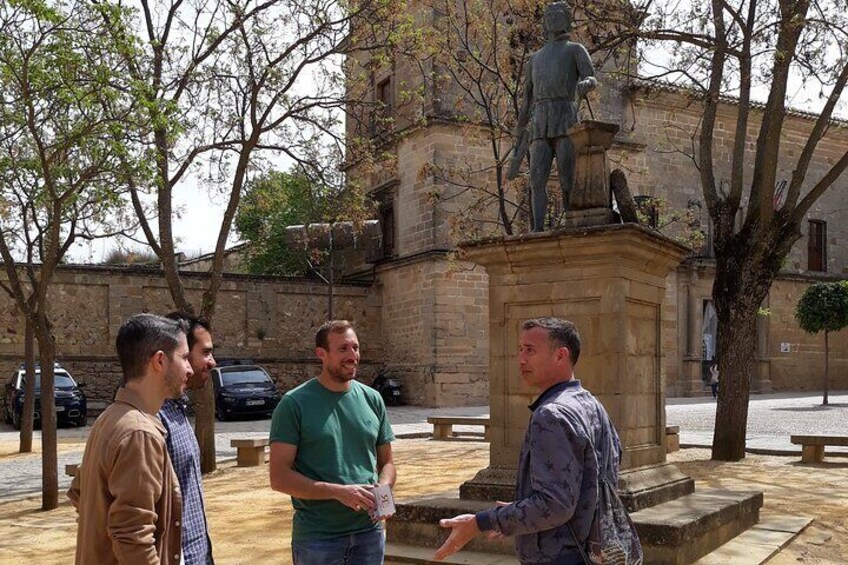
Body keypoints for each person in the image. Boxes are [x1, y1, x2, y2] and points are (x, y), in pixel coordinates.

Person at [435, 317, 633, 564]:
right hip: (590, 551)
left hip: (562, 556)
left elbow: (555, 504)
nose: (521, 359)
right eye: (520, 350)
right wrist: (518, 513)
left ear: (560, 355)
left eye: (530, 350)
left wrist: (480, 522)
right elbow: (586, 482)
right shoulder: (591, 404)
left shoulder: (551, 414)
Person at [68, 313, 193, 564]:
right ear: (159, 360)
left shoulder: (110, 418)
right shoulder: (139, 432)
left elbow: (78, 493)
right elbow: (132, 537)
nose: (190, 368)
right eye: (184, 357)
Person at [269, 320, 397, 565]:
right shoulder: (294, 404)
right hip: (318, 538)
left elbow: (387, 463)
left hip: (369, 534)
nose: (352, 356)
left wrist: (383, 493)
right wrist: (338, 492)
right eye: (343, 349)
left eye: (355, 348)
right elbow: (279, 477)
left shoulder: (373, 399)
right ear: (321, 354)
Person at [507, 2, 597, 232]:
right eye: (550, 15)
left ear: (567, 20)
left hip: (565, 115)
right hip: (540, 120)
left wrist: (586, 83)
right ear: (545, 22)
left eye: (559, 15)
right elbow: (526, 98)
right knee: (537, 178)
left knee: (567, 178)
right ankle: (537, 228)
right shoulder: (535, 59)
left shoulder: (576, 49)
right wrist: (519, 131)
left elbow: (591, 77)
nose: (554, 18)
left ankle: (571, 225)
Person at [159, 312, 217, 564]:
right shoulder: (148, 420)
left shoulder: (176, 410)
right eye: (204, 353)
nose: (212, 362)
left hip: (199, 553)